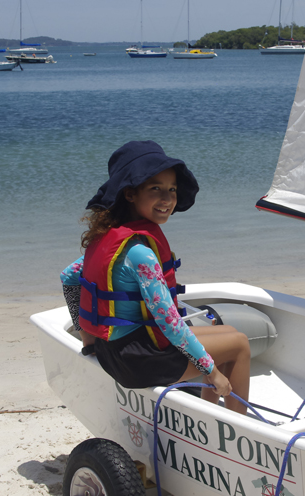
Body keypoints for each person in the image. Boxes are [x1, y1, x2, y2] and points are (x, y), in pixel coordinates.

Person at [61, 141, 250, 414]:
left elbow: (68, 278)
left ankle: (214, 416)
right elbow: (170, 323)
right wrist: (210, 372)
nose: (168, 199)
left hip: (110, 350)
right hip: (137, 362)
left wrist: (88, 339)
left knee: (230, 334)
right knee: (240, 345)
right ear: (130, 194)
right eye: (155, 189)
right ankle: (236, 429)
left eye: (172, 189)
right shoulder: (141, 254)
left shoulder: (108, 238)